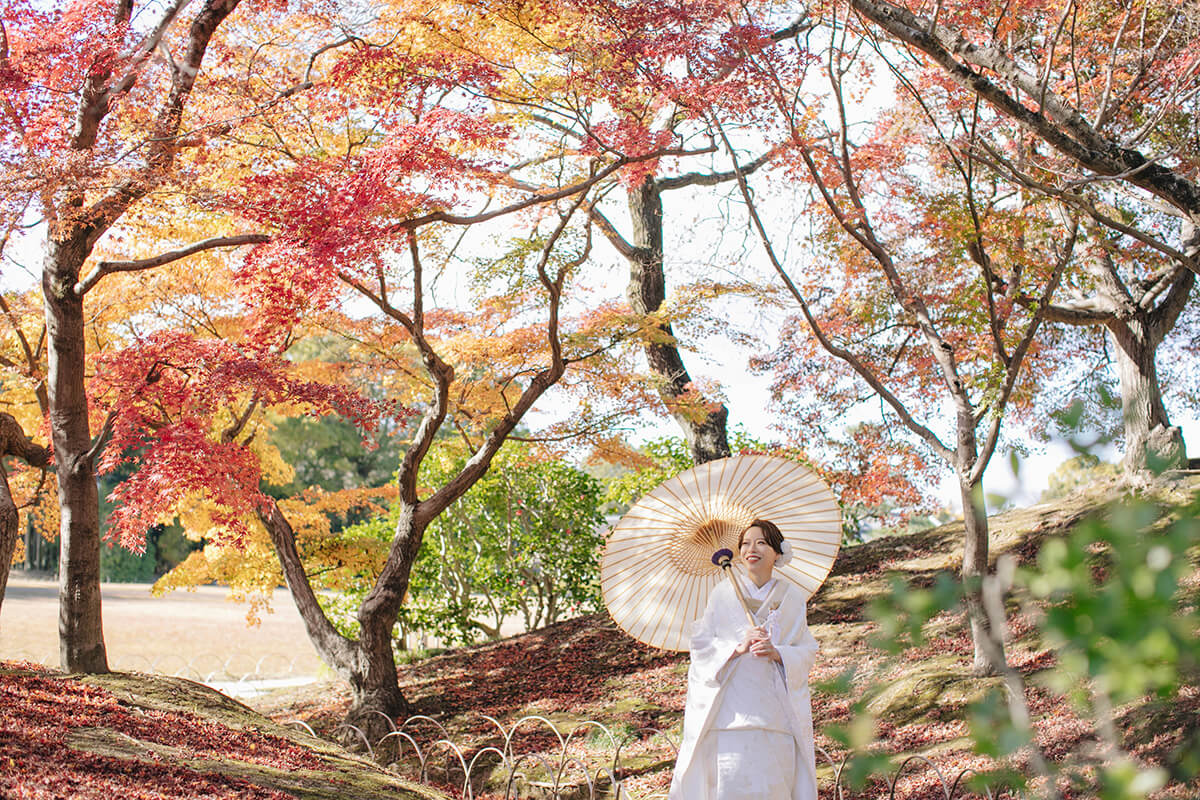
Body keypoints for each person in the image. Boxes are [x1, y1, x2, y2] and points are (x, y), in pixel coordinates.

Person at [667, 519, 819, 800]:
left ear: (777, 552)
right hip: (731, 717)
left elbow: (806, 650)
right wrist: (737, 647)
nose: (752, 548)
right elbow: (701, 646)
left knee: (773, 789)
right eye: (746, 543)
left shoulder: (792, 597)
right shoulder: (722, 594)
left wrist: (778, 653)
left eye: (762, 542)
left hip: (776, 717)